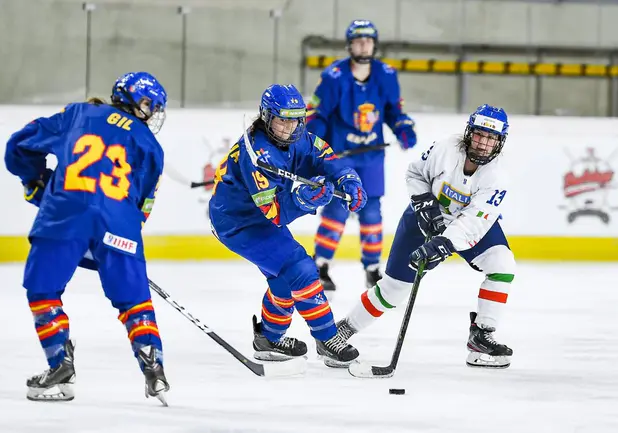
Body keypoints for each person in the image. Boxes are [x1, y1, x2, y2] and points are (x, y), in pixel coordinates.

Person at [4, 72, 171, 403]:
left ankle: (60, 364)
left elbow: (19, 145)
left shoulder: (78, 114)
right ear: (138, 102)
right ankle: (155, 370)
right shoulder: (152, 146)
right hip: (120, 226)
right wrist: (119, 244)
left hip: (64, 215)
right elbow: (141, 208)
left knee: (43, 289)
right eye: (151, 105)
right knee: (135, 301)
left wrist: (37, 181)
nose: (153, 113)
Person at [337, 104, 516, 369]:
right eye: (479, 134)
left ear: (499, 142)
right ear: (469, 132)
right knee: (393, 290)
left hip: (466, 226)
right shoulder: (444, 148)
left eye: (491, 138)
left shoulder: (497, 176)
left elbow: (474, 221)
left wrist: (443, 243)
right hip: (422, 220)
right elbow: (415, 174)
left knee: (502, 263)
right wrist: (424, 203)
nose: (483, 143)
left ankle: (482, 335)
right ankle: (341, 331)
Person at [209, 84, 367, 367]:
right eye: (282, 119)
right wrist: (304, 200)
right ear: (266, 117)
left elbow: (325, 157)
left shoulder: (297, 136)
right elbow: (276, 212)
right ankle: (327, 338)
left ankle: (269, 339)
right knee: (301, 268)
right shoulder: (259, 154)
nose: (288, 127)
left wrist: (348, 178)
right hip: (237, 222)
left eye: (295, 119)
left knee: (284, 279)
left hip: (256, 216)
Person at [306, 19, 418, 292]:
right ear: (350, 45)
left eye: (368, 40)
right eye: (358, 40)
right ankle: (319, 265)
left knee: (371, 213)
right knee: (336, 210)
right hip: (340, 156)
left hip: (371, 157)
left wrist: (402, 126)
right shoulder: (334, 76)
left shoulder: (386, 74)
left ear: (374, 44)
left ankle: (372, 269)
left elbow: (393, 110)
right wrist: (312, 142)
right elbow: (318, 115)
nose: (364, 45)